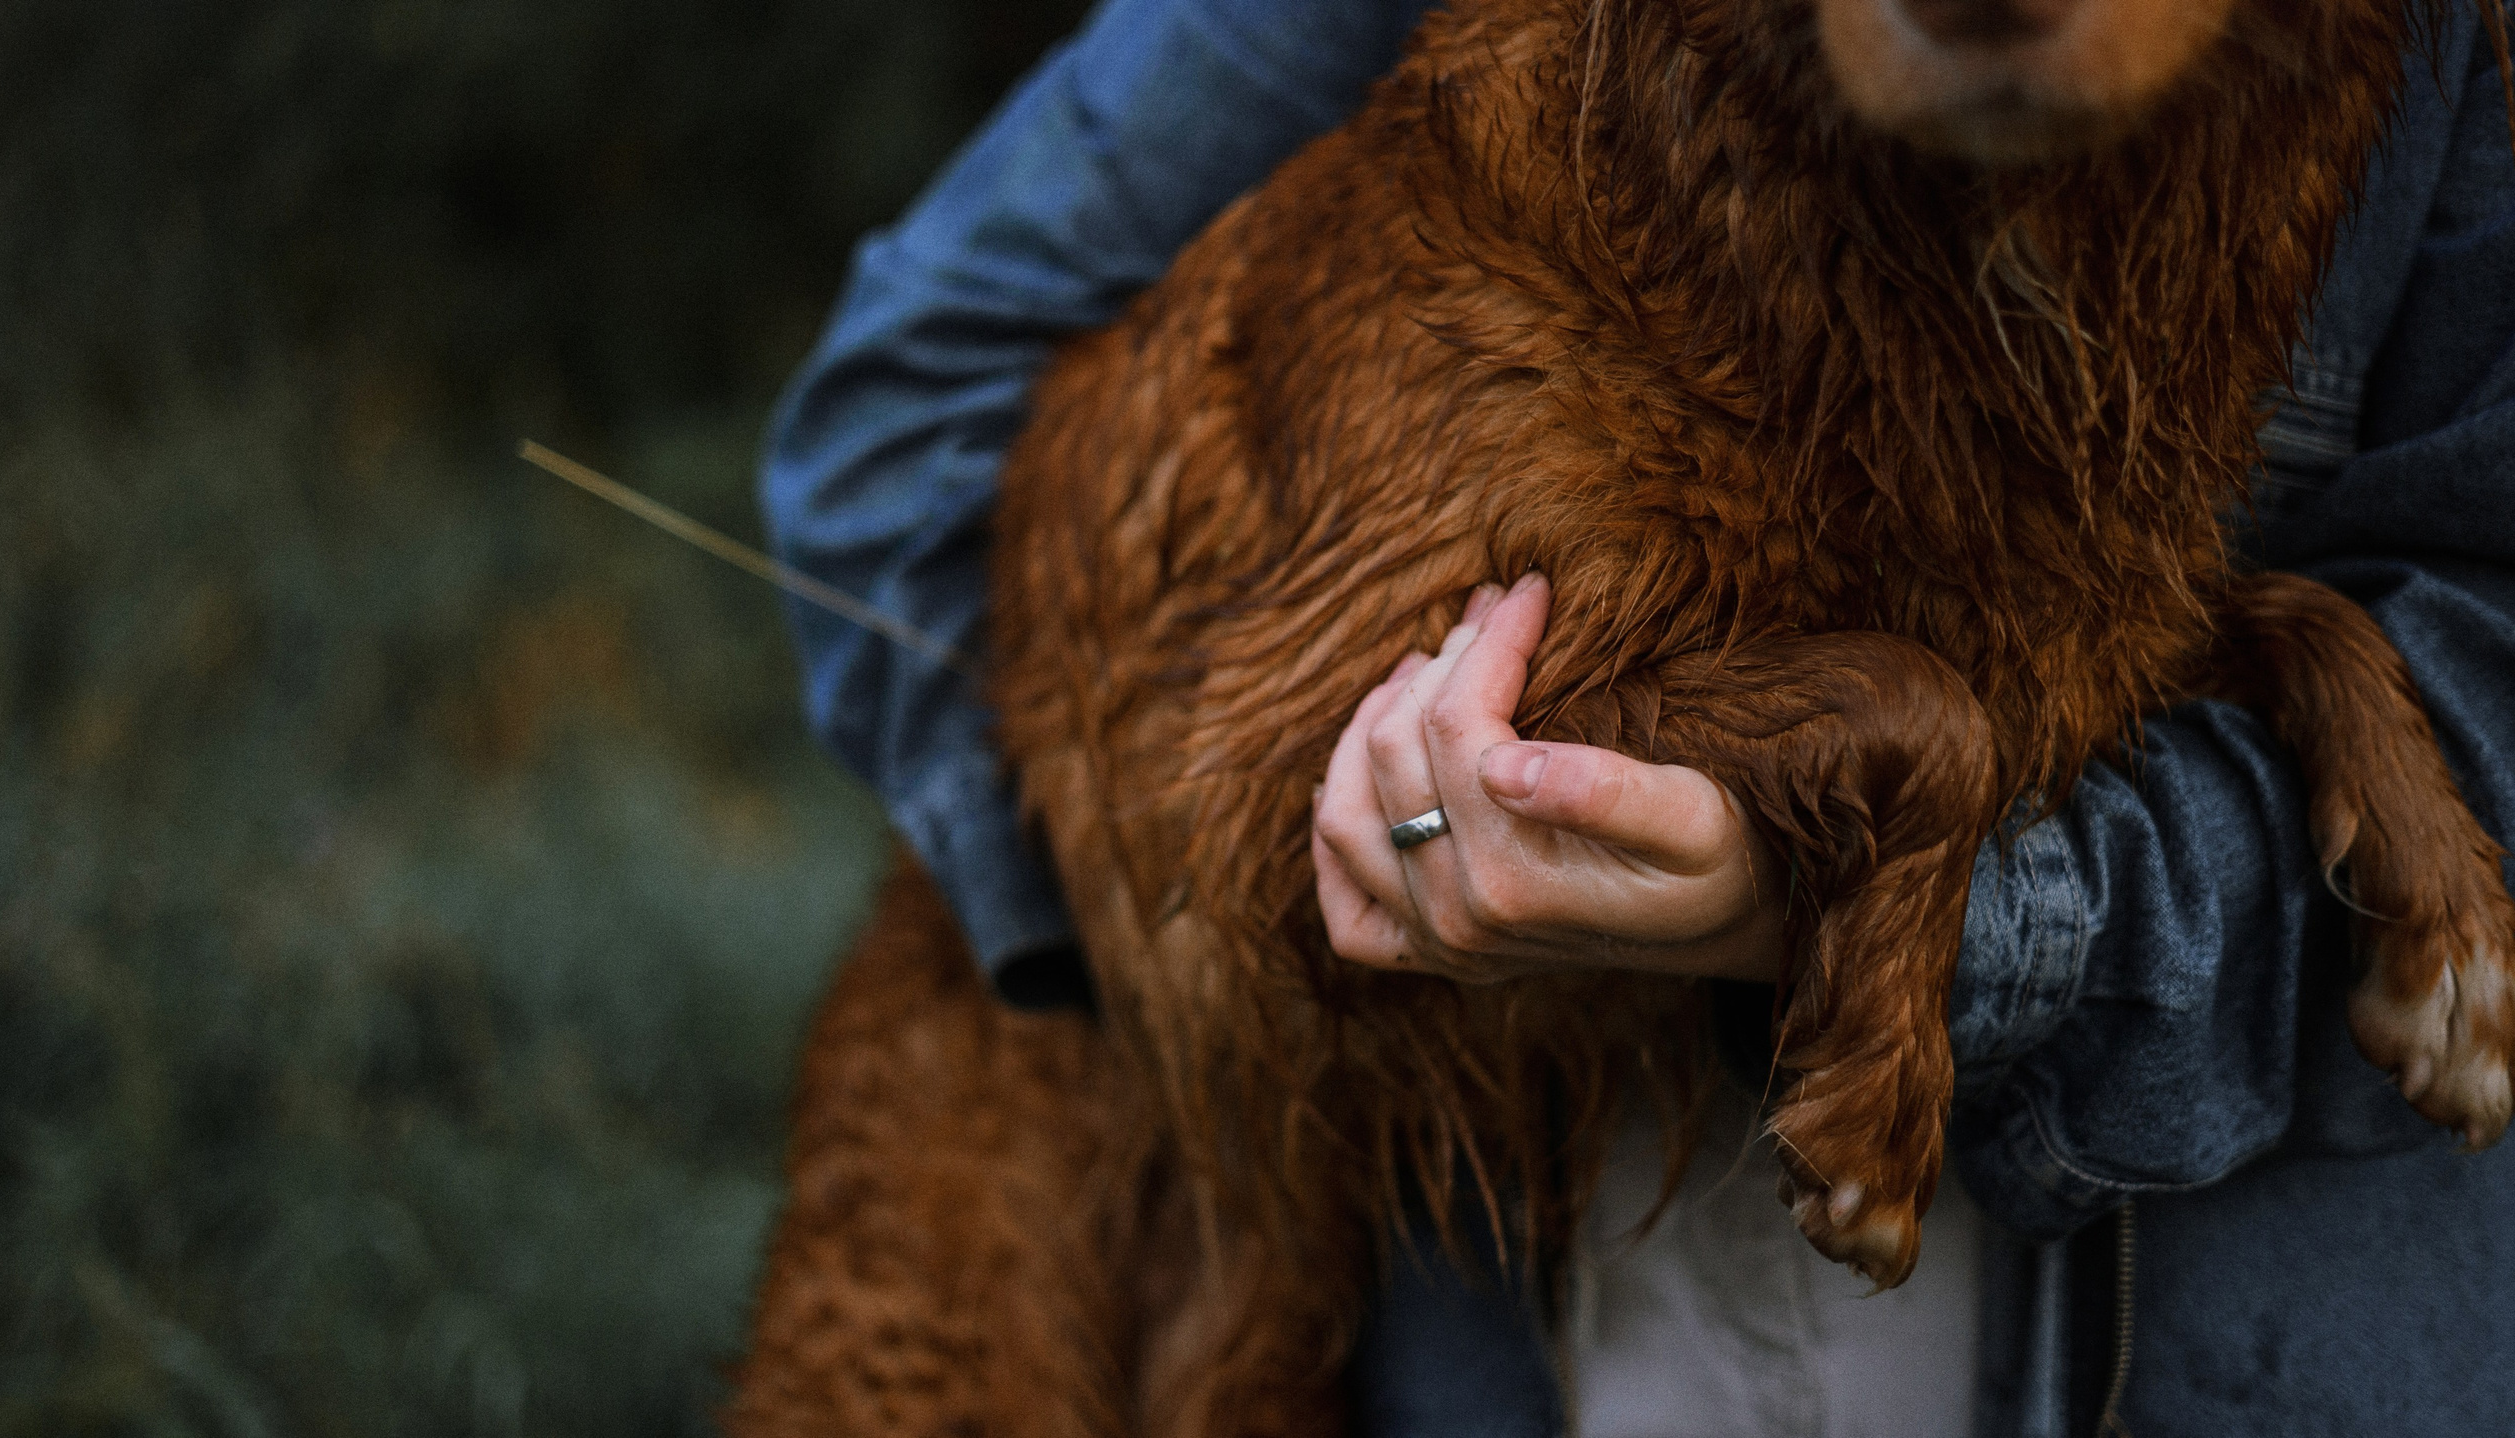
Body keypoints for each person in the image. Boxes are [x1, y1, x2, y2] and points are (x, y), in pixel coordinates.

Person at [757, 0, 2515, 1430]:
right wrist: (1163, 964)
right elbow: (904, 412)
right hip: (1521, 1289)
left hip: (2242, 1321)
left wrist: (1896, 903)